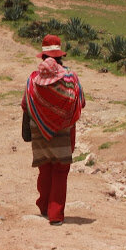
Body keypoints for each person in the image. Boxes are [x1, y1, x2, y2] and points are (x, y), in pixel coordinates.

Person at [21, 34, 85, 225]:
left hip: (39, 129)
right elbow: (80, 101)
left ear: (43, 56)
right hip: (64, 131)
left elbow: (26, 104)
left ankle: (43, 206)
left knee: (45, 168)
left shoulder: (33, 79)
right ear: (60, 56)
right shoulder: (71, 77)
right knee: (60, 171)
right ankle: (56, 214)